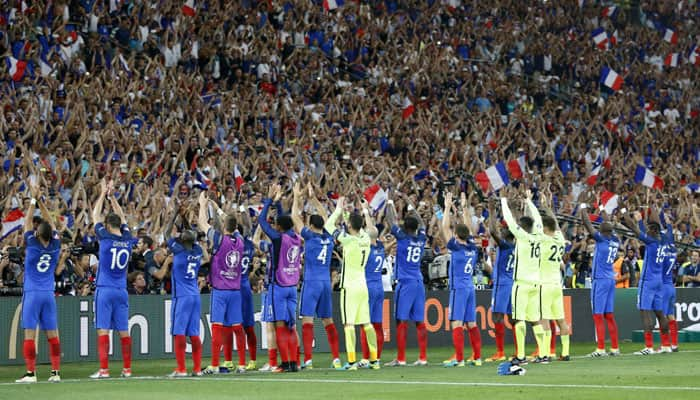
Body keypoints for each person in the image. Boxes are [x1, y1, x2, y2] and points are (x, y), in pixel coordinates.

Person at [324, 196, 379, 370]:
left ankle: (352, 362)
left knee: (349, 324)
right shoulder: (365, 239)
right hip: (363, 286)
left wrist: (339, 210)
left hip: (349, 287)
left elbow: (328, 226)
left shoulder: (348, 240)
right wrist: (363, 211)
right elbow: (367, 228)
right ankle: (374, 360)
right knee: (367, 324)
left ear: (349, 227)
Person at [290, 183, 342, 370]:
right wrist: (313, 200)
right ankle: (336, 358)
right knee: (328, 321)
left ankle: (309, 361)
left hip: (311, 283)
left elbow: (295, 217)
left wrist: (297, 196)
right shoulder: (329, 237)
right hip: (325, 283)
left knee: (307, 321)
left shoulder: (310, 236)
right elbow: (327, 217)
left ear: (311, 226)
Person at [15, 183, 63, 383]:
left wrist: (33, 201)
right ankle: (55, 373)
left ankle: (31, 373)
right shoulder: (55, 246)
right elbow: (52, 223)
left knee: (29, 333)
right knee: (52, 335)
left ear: (37, 233)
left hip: (33, 292)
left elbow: (26, 223)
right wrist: (42, 202)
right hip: (48, 294)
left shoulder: (33, 244)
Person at [197, 192, 247, 374]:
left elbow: (202, 223)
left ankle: (215, 364)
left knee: (217, 327)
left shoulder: (219, 239)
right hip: (235, 290)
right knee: (237, 327)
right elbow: (231, 224)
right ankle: (242, 364)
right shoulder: (240, 241)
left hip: (220, 290)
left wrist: (203, 205)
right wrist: (218, 209)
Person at [90, 180, 135, 379]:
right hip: (121, 290)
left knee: (103, 330)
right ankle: (127, 369)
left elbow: (94, 215)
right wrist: (113, 197)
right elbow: (123, 219)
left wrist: (102, 194)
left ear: (108, 225)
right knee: (123, 331)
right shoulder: (127, 239)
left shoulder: (105, 239)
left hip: (105, 289)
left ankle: (104, 370)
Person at [258, 184, 302, 373]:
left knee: (280, 326)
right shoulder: (297, 238)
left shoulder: (277, 239)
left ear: (279, 227)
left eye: (276, 224)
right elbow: (285, 221)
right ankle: (294, 363)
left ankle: (286, 364)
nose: (274, 225)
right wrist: (279, 204)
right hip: (293, 286)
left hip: (278, 286)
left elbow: (261, 221)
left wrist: (269, 200)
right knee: (291, 326)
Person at [500, 191, 544, 365]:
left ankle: (521, 355)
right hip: (536, 283)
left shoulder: (522, 236)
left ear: (522, 227)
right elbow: (538, 218)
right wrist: (529, 201)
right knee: (534, 319)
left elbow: (509, 219)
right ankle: (543, 353)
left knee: (519, 318)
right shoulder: (539, 235)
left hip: (522, 283)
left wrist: (504, 200)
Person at [385, 196, 429, 367]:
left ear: (405, 227)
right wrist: (412, 207)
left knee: (401, 320)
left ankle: (401, 359)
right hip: (419, 281)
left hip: (405, 282)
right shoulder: (421, 238)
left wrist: (389, 202)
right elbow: (423, 225)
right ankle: (422, 358)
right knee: (419, 320)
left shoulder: (402, 237)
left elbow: (389, 220)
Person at [621, 207, 671, 355]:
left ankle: (649, 347)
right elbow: (656, 223)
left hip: (648, 281)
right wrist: (652, 208)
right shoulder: (663, 240)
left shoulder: (651, 241)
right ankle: (666, 345)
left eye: (649, 229)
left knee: (645, 312)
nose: (647, 231)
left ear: (653, 231)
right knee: (660, 314)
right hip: (659, 281)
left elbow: (633, 227)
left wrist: (625, 211)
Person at [440, 192, 482, 367]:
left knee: (457, 322)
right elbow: (469, 228)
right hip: (470, 287)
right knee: (471, 323)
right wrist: (464, 207)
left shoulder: (456, 247)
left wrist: (448, 206)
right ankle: (477, 358)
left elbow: (444, 228)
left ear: (457, 235)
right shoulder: (473, 247)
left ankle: (459, 360)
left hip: (458, 287)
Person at [163, 207, 205, 377]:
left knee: (179, 332)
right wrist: (184, 217)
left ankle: (181, 369)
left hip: (182, 296)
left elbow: (166, 233)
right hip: (195, 295)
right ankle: (196, 369)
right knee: (194, 333)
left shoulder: (178, 250)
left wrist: (174, 214)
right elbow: (190, 235)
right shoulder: (198, 251)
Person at [580, 206, 621, 357]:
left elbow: (587, 224)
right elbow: (607, 224)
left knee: (598, 315)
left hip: (600, 280)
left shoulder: (601, 238)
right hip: (610, 279)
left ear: (602, 232)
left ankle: (600, 349)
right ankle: (615, 348)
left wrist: (583, 209)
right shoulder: (615, 240)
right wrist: (603, 210)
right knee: (609, 315)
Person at [537, 198, 570, 363]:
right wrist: (547, 207)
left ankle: (546, 354)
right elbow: (555, 224)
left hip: (545, 284)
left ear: (544, 228)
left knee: (544, 319)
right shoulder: (560, 240)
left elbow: (551, 225)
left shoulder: (543, 241)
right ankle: (565, 352)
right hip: (558, 285)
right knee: (561, 320)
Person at [486, 198, 515, 363]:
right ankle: (519, 351)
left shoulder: (504, 245)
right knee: (513, 318)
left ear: (506, 234)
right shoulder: (516, 246)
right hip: (513, 283)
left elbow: (491, 231)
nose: (501, 231)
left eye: (503, 229)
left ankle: (500, 352)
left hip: (502, 284)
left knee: (497, 317)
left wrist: (491, 211)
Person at [360, 210, 387, 366]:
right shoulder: (380, 247)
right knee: (377, 325)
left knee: (366, 324)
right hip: (379, 287)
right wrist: (366, 212)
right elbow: (372, 232)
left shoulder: (366, 249)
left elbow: (369, 233)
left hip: (368, 287)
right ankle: (376, 357)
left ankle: (365, 357)